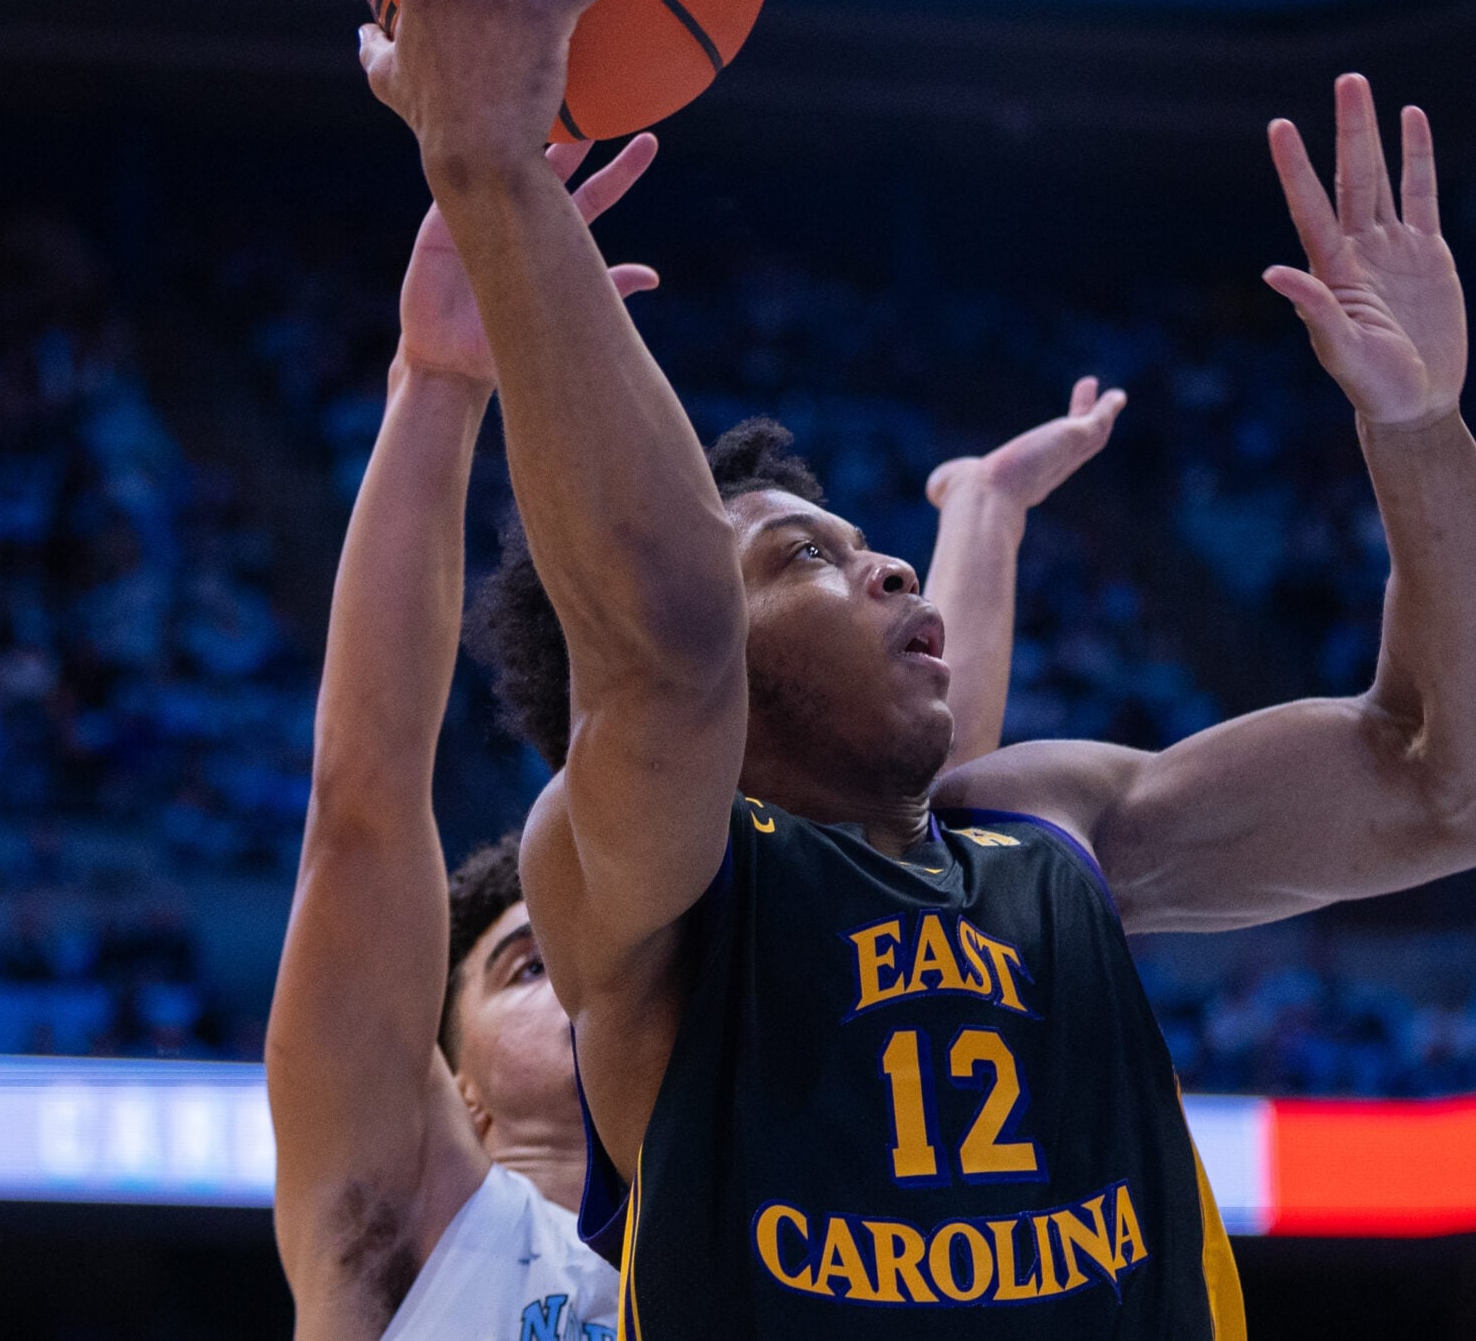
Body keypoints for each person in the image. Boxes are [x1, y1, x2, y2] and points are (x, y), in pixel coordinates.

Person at [358, 0, 1476, 1337]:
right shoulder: (646, 882)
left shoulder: (1055, 828)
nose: (896, 576)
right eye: (809, 553)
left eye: (881, 549)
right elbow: (659, 642)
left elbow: (1464, 777)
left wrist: (1423, 428)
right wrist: (494, 172)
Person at [262, 129, 1126, 1341]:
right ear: (454, 1077)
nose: (571, 969)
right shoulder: (408, 1231)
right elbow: (363, 806)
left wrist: (978, 517)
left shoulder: (776, 1183)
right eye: (522, 966)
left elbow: (906, 795)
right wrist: (439, 386)